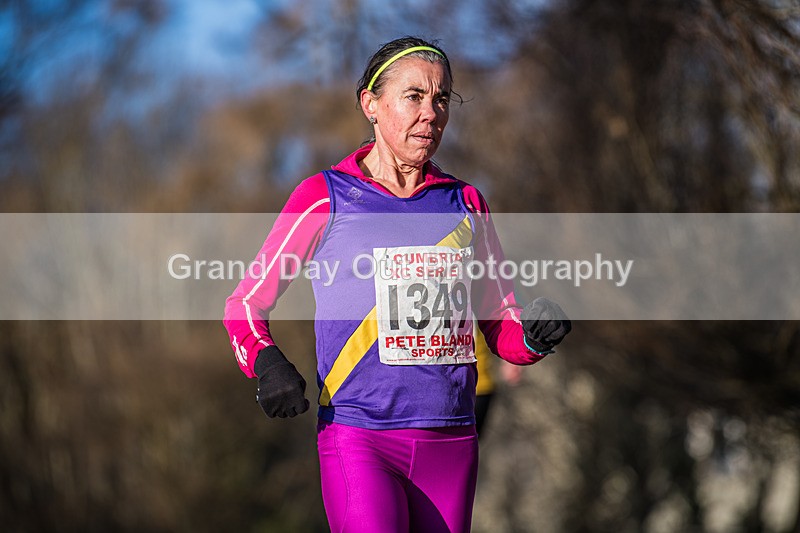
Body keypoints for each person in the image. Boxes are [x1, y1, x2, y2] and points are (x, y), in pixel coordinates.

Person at [223, 36, 571, 533]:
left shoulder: (466, 202)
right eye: (414, 96)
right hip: (359, 437)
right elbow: (244, 304)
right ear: (371, 103)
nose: (431, 113)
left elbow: (502, 326)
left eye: (442, 98)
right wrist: (266, 361)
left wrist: (534, 336)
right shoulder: (325, 197)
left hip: (451, 442)